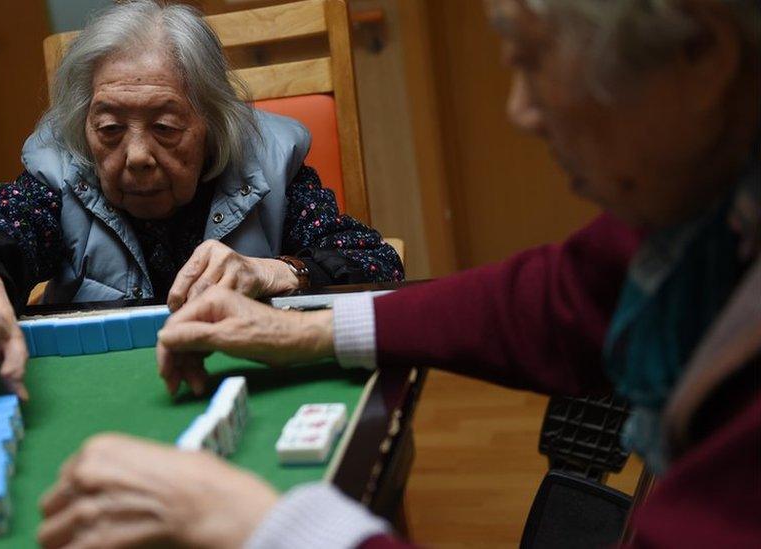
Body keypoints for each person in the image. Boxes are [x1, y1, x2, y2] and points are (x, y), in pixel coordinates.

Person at [37, 0, 761, 547]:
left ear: (702, 55)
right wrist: (313, 333)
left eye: (536, 57)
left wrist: (262, 519)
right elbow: (569, 292)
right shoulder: (714, 205)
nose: (522, 109)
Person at [0, 0, 403, 417]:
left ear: (212, 122)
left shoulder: (268, 166)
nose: (136, 156)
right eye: (108, 127)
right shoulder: (64, 172)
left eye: (166, 127)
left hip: (247, 391)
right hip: (105, 404)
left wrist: (276, 271)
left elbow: (374, 263)